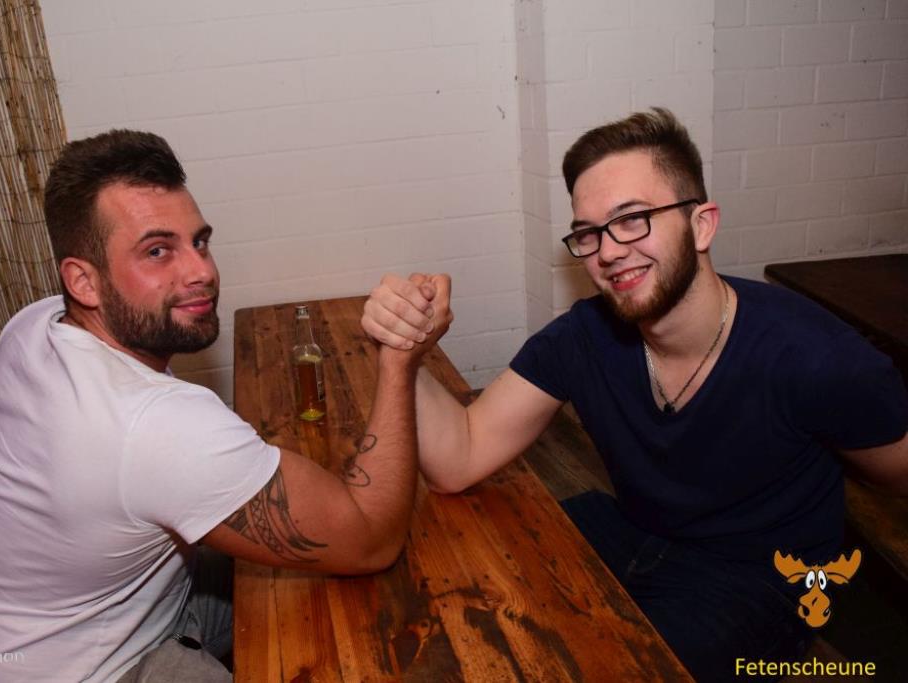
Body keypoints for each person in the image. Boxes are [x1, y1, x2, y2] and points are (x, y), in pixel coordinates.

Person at [361, 108, 908, 681]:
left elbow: (896, 475)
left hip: (760, 580)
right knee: (457, 590)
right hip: (633, 533)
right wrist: (402, 348)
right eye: (589, 232)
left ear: (702, 225)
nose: (608, 250)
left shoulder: (817, 357)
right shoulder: (585, 335)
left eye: (633, 219)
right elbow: (460, 458)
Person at [0, 130, 451, 682]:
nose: (202, 272)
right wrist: (400, 361)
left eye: (200, 242)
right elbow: (372, 538)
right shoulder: (159, 425)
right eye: (157, 251)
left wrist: (50, 525)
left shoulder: (33, 324)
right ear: (84, 281)